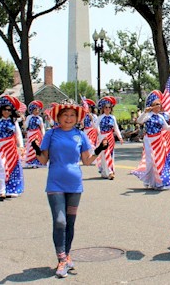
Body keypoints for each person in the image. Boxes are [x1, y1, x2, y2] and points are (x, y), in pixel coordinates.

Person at [35, 103, 107, 278]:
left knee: (70, 222)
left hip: (74, 185)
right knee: (60, 221)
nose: (69, 118)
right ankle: (61, 259)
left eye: (72, 115)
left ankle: (66, 255)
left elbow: (87, 161)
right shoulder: (51, 134)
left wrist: (100, 149)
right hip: (55, 183)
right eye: (65, 115)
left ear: (77, 118)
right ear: (58, 117)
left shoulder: (80, 135)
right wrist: (36, 148)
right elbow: (43, 160)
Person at [132, 91, 170, 190]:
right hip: (149, 141)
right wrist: (145, 112)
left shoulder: (160, 116)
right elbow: (139, 121)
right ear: (152, 106)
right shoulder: (148, 115)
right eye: (156, 104)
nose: (159, 106)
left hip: (159, 140)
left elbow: (167, 128)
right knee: (151, 162)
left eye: (159, 104)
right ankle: (148, 180)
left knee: (159, 161)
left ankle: (160, 182)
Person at [0, 95, 25, 200]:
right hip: (1, 147)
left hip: (11, 147)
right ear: (1, 110)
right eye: (4, 109)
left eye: (9, 110)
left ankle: (12, 189)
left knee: (13, 167)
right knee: (2, 167)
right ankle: (2, 191)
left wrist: (21, 146)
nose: (7, 112)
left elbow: (18, 134)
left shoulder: (14, 121)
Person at [95, 96, 123, 180]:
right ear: (103, 108)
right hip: (103, 137)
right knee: (104, 154)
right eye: (106, 107)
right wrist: (99, 134)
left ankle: (109, 171)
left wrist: (120, 137)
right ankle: (108, 172)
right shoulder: (100, 117)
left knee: (111, 154)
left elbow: (116, 128)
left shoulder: (112, 117)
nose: (107, 109)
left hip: (110, 137)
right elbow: (95, 126)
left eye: (109, 107)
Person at [23, 101, 46, 168]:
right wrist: (24, 121)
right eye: (35, 109)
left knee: (38, 147)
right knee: (31, 148)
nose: (37, 111)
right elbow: (26, 126)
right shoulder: (29, 117)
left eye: (38, 110)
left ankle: (38, 161)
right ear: (32, 110)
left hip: (38, 134)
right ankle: (31, 161)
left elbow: (42, 127)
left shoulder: (40, 118)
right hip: (31, 133)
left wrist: (44, 134)